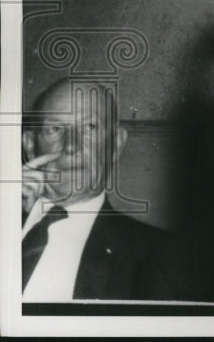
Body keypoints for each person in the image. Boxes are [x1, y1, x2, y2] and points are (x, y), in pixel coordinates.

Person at [21, 78, 176, 301]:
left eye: (89, 127)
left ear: (116, 145)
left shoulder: (158, 258)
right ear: (29, 145)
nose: (71, 146)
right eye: (55, 128)